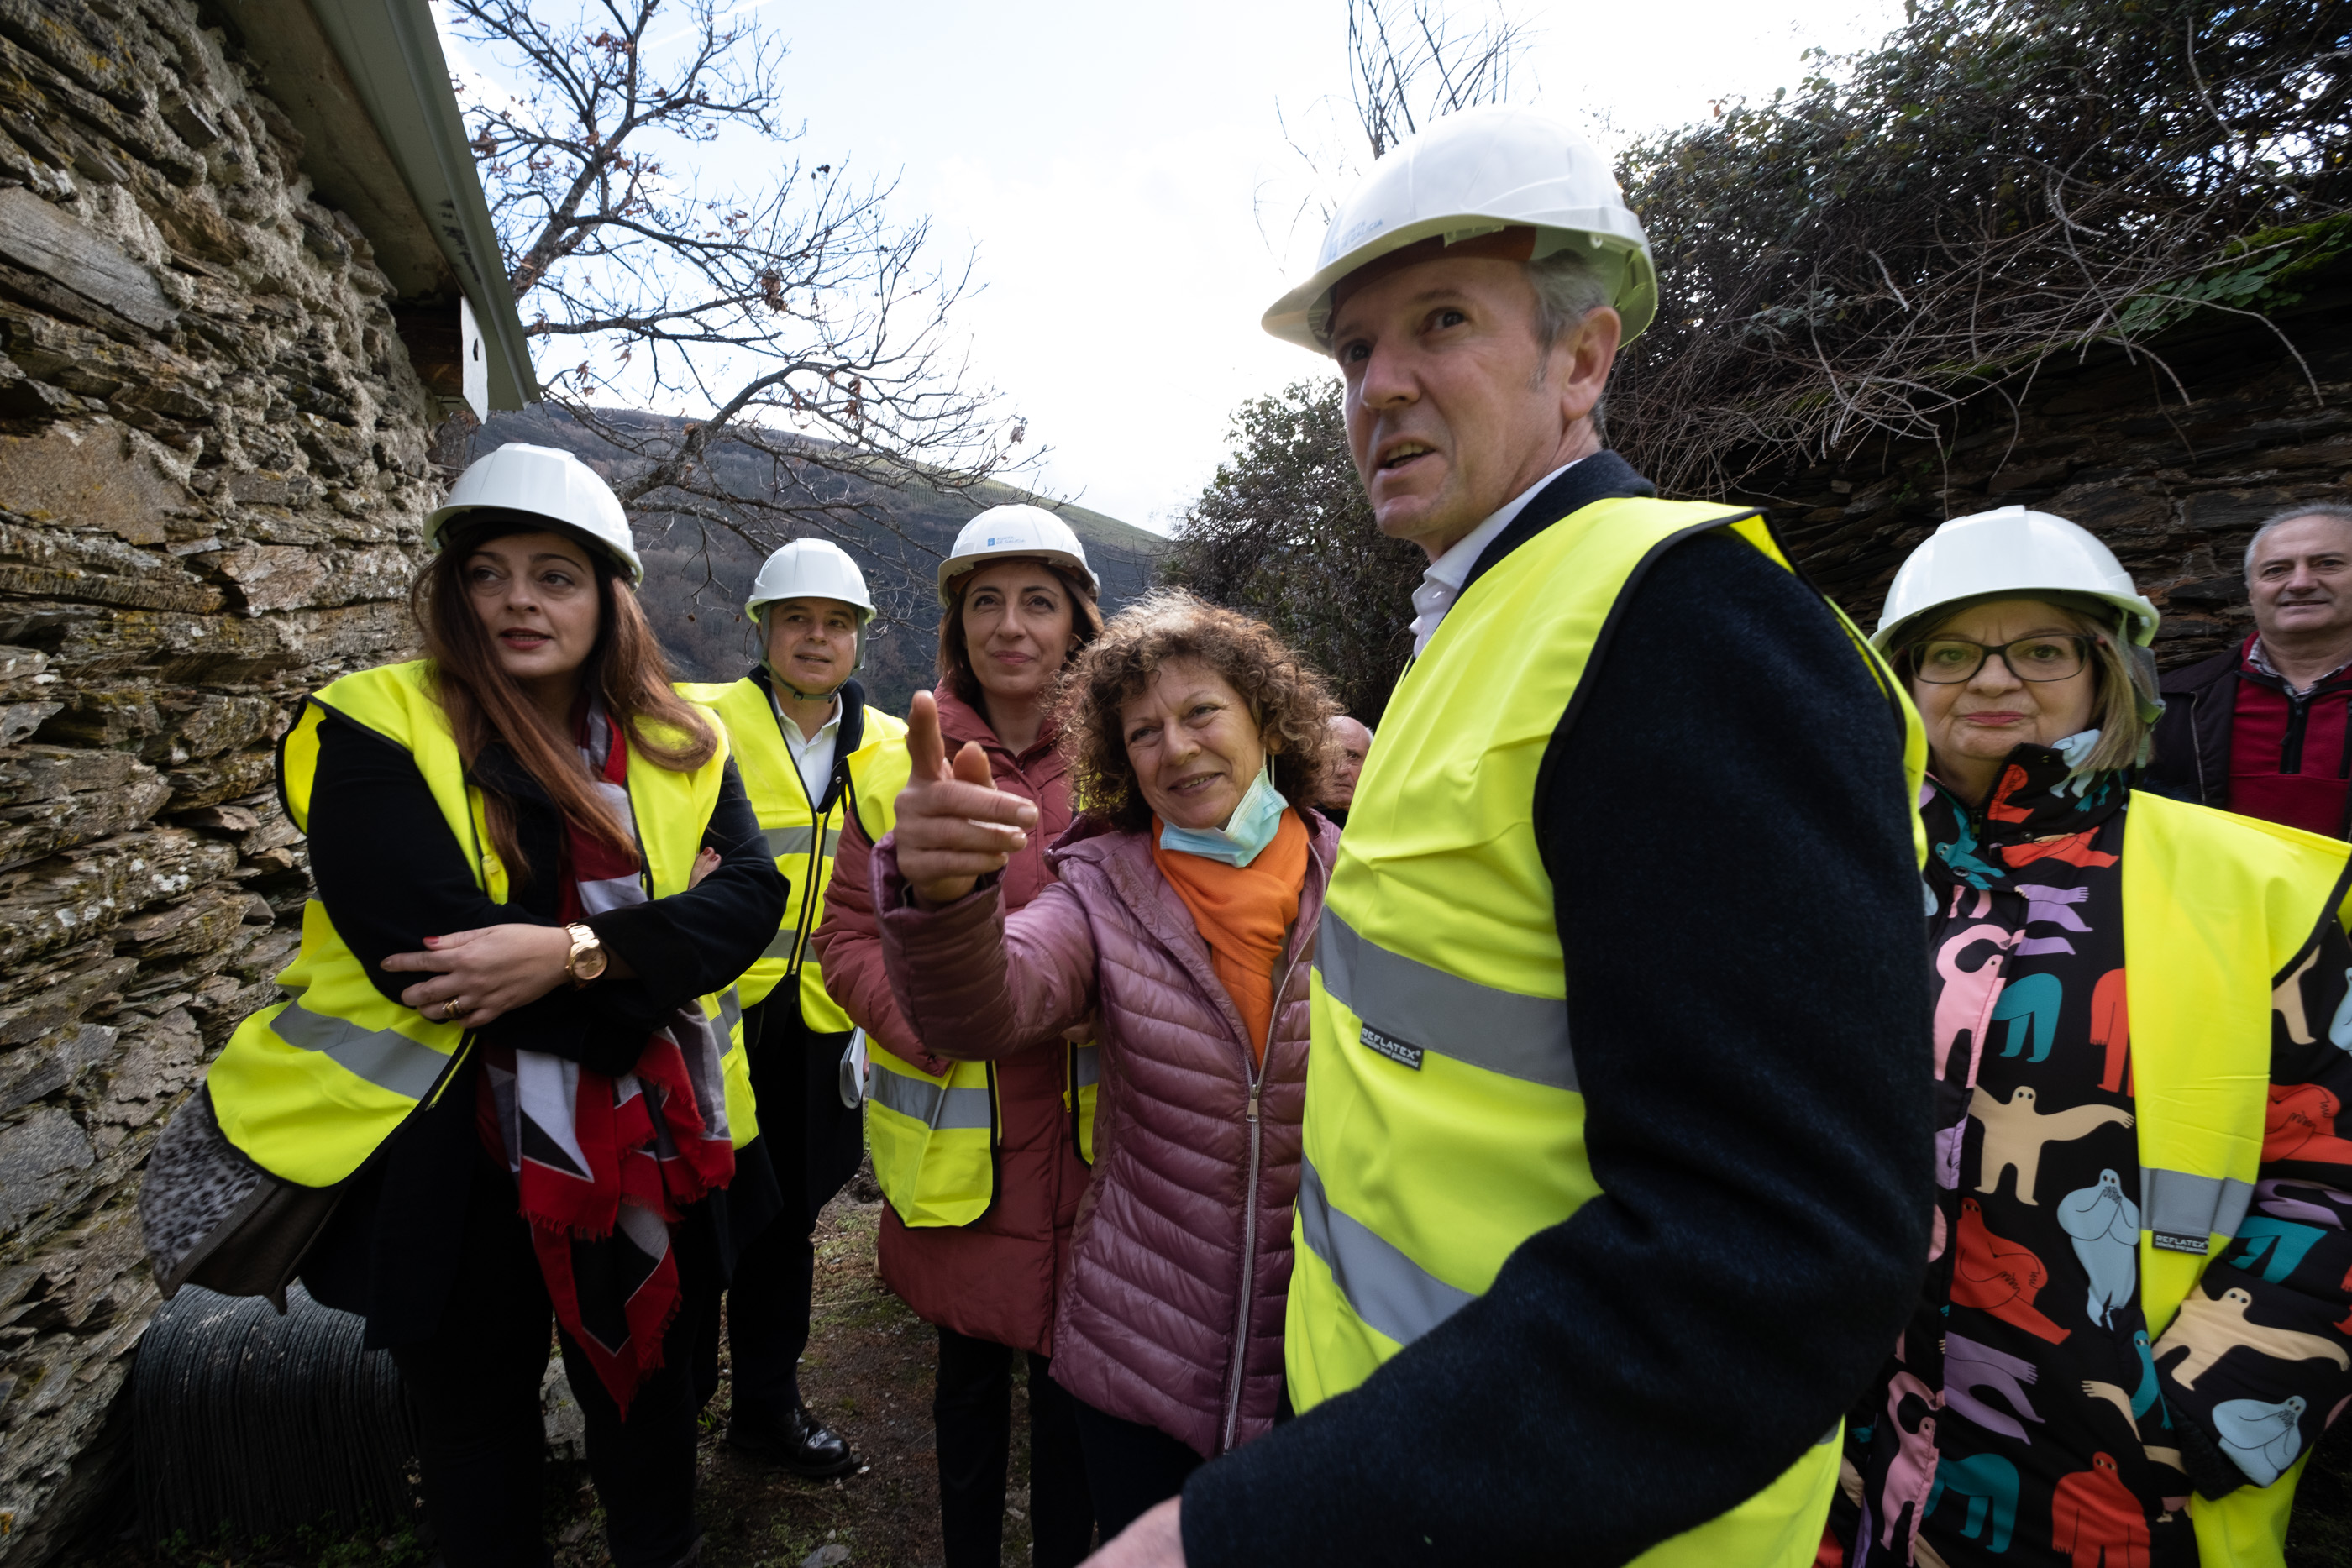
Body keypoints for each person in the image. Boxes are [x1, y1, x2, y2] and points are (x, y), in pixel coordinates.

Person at [1090, 104, 1935, 1567]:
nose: (1382, 385)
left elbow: (1776, 1254)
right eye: (1356, 351)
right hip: (1429, 1486)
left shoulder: (1683, 626)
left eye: (1443, 322)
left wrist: (1261, 1525)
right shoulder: (1488, 622)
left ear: (1584, 358)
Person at [200, 442, 784, 1566]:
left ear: (608, 598)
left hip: (651, 1146)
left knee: (654, 1397)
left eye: (554, 575)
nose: (519, 599)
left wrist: (569, 950)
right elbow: (430, 957)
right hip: (448, 1154)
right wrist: (657, 952)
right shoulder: (375, 723)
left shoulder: (681, 739)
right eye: (488, 573)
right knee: (474, 1425)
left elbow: (753, 899)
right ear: (452, 590)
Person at [1830, 503, 2352, 1568]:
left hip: (2112, 1473)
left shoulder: (2261, 887)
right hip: (1848, 1445)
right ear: (1903, 679)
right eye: (1949, 653)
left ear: (2104, 671)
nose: (1991, 680)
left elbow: (2332, 1171)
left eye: (2039, 649)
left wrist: (2200, 1417)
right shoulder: (1834, 870)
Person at [874, 590, 1340, 1538]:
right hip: (1139, 1348)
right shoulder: (1098, 887)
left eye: (1201, 711)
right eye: (1143, 733)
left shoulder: (1364, 877)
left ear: (1266, 718)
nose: (1176, 748)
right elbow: (988, 1007)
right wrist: (944, 898)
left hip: (1322, 1348)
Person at [811, 504, 1103, 1567]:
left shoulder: (1130, 756)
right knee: (969, 1386)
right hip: (964, 1156)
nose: (1010, 625)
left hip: (1100, 1147)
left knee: (1081, 1394)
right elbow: (846, 939)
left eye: (1038, 601)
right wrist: (938, 1020)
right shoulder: (895, 769)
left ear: (1078, 622)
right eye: (986, 602)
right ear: (957, 624)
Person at [677, 538, 909, 1475]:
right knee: (698, 1218)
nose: (817, 637)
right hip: (710, 1022)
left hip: (822, 1026)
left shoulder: (893, 745)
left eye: (836, 623)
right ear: (762, 628)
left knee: (789, 1225)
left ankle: (768, 1407)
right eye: (797, 620)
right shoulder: (696, 721)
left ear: (859, 637)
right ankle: (675, 1408)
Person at [2146, 503, 2352, 835]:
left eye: (2328, 564)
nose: (2300, 582)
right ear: (2252, 592)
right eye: (2276, 570)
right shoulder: (2170, 703)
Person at [1319, 716, 1371, 826]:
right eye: (1329, 754)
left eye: (1353, 756)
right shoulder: (1288, 820)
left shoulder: (1387, 823)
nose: (1340, 770)